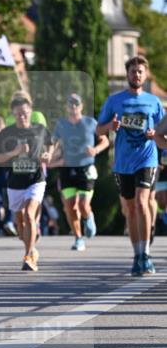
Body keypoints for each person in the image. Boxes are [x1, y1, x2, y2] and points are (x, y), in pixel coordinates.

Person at [97, 55, 163, 276]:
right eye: (133, 71)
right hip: (123, 162)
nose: (136, 74)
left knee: (143, 202)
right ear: (127, 74)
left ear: (146, 75)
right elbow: (98, 131)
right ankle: (137, 256)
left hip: (148, 158)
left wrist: (156, 137)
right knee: (131, 209)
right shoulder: (114, 101)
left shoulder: (154, 102)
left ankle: (146, 254)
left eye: (140, 71)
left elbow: (163, 131)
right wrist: (111, 125)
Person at [0, 95, 53, 272]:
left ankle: (28, 257)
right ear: (13, 114)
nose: (22, 117)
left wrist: (48, 155)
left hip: (35, 180)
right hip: (15, 183)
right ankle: (32, 248)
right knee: (20, 226)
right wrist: (15, 152)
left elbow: (51, 144)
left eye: (25, 113)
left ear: (30, 112)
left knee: (29, 214)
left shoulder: (40, 129)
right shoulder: (6, 133)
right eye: (18, 114)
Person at [51, 93, 109, 251]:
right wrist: (49, 155)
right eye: (70, 104)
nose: (73, 107)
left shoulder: (91, 122)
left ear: (82, 106)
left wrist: (95, 149)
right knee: (70, 206)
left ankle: (88, 217)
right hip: (67, 169)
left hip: (86, 168)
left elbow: (105, 141)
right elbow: (54, 142)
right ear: (66, 107)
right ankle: (78, 238)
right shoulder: (61, 124)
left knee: (83, 205)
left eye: (76, 104)